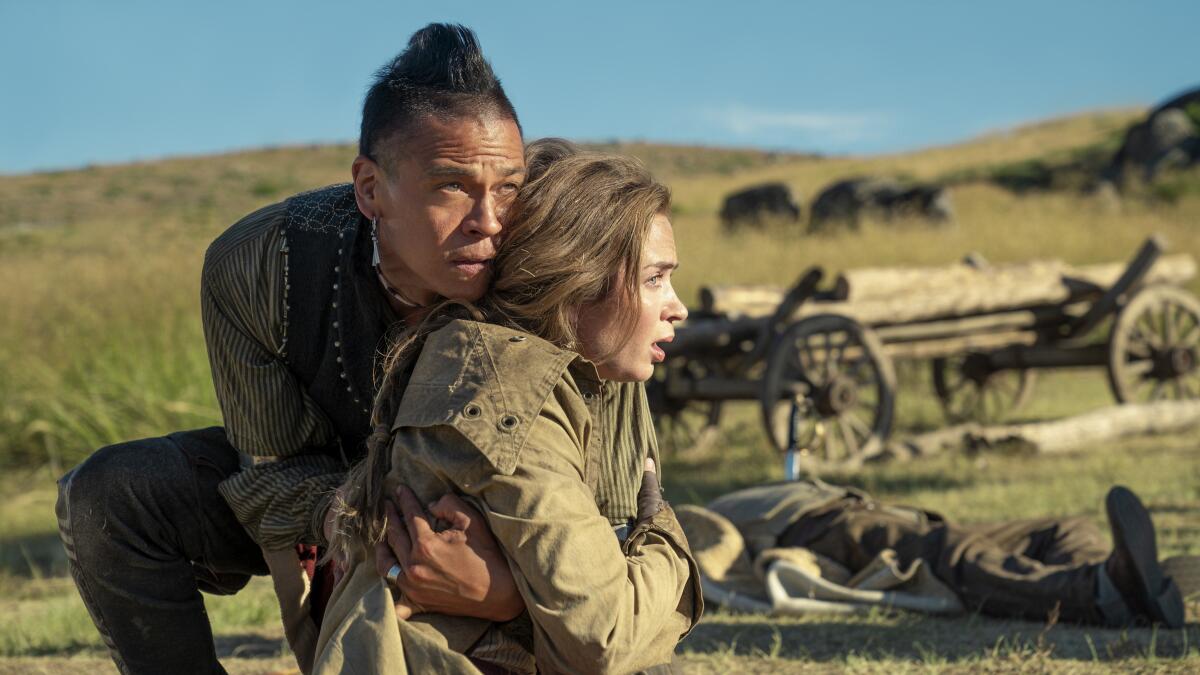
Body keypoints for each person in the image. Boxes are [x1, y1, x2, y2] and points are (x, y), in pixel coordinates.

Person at [55, 24, 560, 674]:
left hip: (506, 521)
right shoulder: (261, 263)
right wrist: (371, 520)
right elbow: (267, 477)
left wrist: (505, 581)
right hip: (333, 498)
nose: (489, 220)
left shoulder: (554, 262)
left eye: (508, 187)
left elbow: (623, 491)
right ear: (371, 188)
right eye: (451, 186)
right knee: (109, 493)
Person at [313, 149, 702, 674]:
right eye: (654, 278)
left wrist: (512, 597)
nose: (677, 305)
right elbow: (604, 638)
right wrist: (665, 540)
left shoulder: (590, 373)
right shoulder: (511, 392)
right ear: (577, 278)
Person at [681, 478, 1185, 628]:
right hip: (827, 528)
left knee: (1061, 527)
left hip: (894, 515)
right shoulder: (702, 511)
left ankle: (1112, 581)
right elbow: (710, 547)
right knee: (951, 552)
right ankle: (1097, 592)